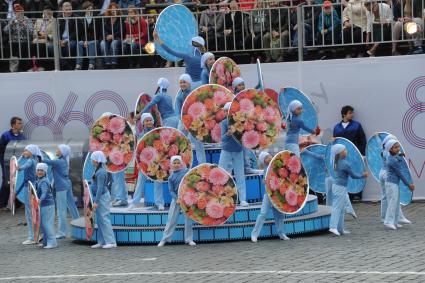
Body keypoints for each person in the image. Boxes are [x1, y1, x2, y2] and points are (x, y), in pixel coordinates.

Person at [329, 144, 367, 236]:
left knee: (341, 208)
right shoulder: (345, 164)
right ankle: (333, 227)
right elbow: (354, 175)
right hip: (340, 187)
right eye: (344, 150)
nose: (346, 151)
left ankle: (340, 229)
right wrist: (363, 175)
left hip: (337, 186)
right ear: (341, 153)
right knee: (337, 207)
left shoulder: (335, 161)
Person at [251, 151, 290, 242]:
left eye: (268, 156)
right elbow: (267, 182)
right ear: (264, 162)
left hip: (278, 195)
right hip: (268, 195)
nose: (268, 159)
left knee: (280, 215)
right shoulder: (266, 169)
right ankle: (254, 234)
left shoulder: (279, 165)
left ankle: (282, 234)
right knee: (263, 214)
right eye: (266, 159)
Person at [157, 155, 195, 247]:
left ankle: (189, 239)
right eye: (174, 163)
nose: (176, 164)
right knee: (171, 220)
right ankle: (165, 239)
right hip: (176, 200)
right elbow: (171, 190)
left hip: (187, 199)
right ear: (171, 164)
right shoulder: (171, 177)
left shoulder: (186, 172)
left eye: (178, 163)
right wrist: (176, 198)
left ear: (181, 163)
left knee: (188, 219)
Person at [219, 102, 248, 207]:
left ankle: (243, 199)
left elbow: (245, 136)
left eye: (229, 111)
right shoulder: (223, 123)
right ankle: (221, 198)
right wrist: (228, 134)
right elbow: (221, 138)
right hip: (226, 150)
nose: (227, 113)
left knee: (240, 174)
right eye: (226, 111)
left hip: (238, 151)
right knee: (221, 174)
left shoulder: (241, 121)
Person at [378, 134, 410, 224]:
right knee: (393, 197)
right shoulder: (388, 153)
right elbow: (391, 156)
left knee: (386, 197)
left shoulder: (383, 149)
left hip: (382, 173)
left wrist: (377, 136)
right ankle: (397, 217)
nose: (397, 146)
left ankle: (385, 217)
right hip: (387, 175)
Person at [129, 113, 159, 210]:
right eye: (146, 120)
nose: (149, 122)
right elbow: (138, 150)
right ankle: (134, 203)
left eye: (150, 120)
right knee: (140, 182)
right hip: (144, 162)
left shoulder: (157, 133)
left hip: (156, 161)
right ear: (143, 123)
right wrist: (138, 162)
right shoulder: (141, 135)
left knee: (158, 181)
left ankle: (159, 202)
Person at [383, 139, 415, 230]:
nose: (398, 149)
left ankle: (395, 222)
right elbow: (400, 174)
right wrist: (408, 185)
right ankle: (388, 222)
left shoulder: (391, 155)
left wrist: (400, 155)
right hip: (391, 184)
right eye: (395, 147)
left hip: (393, 183)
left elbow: (397, 156)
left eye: (398, 147)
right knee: (393, 202)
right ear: (390, 149)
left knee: (396, 202)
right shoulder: (392, 160)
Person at [42, 145, 73, 239]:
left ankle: (62, 232)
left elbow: (46, 161)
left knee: (61, 210)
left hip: (61, 187)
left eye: (59, 149)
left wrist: (38, 155)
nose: (57, 150)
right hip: (67, 185)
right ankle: (78, 226)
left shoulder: (59, 161)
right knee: (72, 208)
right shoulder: (63, 161)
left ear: (63, 152)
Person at [175, 74, 206, 164]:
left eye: (184, 82)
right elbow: (177, 111)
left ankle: (202, 164)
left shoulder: (194, 93)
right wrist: (183, 122)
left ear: (189, 83)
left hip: (195, 121)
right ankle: (180, 163)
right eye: (181, 82)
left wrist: (190, 123)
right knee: (179, 141)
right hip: (183, 121)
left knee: (198, 144)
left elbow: (197, 109)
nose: (182, 84)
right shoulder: (179, 95)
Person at [90, 151, 117, 249]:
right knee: (100, 220)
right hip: (100, 197)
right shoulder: (98, 170)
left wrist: (96, 201)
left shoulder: (101, 172)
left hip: (102, 198)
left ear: (97, 160)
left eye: (93, 159)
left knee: (104, 219)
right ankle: (101, 241)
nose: (91, 161)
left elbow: (100, 188)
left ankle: (111, 241)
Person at [17, 144, 41, 244]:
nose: (24, 152)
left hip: (30, 187)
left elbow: (24, 166)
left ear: (31, 152)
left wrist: (19, 168)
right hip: (31, 186)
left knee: (29, 211)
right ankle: (35, 235)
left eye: (26, 151)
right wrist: (23, 155)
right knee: (32, 211)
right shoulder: (33, 159)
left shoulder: (30, 161)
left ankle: (32, 237)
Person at [0, 117, 25, 210]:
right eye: (19, 123)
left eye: (21, 123)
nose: (21, 125)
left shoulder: (22, 136)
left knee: (18, 181)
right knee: (7, 182)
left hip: (18, 162)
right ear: (13, 125)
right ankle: (1, 205)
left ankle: (18, 204)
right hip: (6, 162)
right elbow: (1, 149)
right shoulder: (5, 135)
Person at [3, 4, 34, 72]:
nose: (18, 13)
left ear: (23, 12)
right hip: (13, 40)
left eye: (20, 12)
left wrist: (24, 25)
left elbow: (31, 32)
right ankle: (11, 67)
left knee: (22, 46)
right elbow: (5, 31)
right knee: (8, 46)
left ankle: (21, 67)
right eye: (16, 12)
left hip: (24, 40)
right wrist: (11, 25)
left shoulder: (27, 20)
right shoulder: (13, 20)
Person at [35, 163, 57, 249]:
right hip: (44, 205)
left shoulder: (44, 181)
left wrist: (40, 200)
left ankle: (52, 242)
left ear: (45, 172)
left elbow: (44, 193)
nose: (39, 172)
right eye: (38, 170)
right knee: (43, 224)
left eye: (41, 170)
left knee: (47, 224)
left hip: (47, 205)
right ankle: (46, 241)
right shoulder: (39, 180)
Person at [76, 1, 100, 70]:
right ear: (85, 10)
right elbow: (81, 33)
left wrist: (88, 40)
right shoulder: (81, 19)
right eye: (88, 9)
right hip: (85, 39)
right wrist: (84, 40)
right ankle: (78, 64)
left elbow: (97, 32)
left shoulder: (96, 18)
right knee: (79, 43)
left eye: (91, 8)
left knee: (92, 43)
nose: (90, 10)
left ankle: (91, 64)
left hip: (95, 39)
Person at [100, 3, 124, 69]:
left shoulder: (120, 19)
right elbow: (103, 30)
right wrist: (107, 36)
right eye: (112, 9)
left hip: (117, 38)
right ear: (109, 10)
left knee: (114, 43)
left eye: (115, 9)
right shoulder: (106, 20)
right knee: (102, 43)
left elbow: (122, 31)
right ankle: (107, 63)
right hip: (107, 38)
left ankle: (114, 63)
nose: (113, 10)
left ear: (117, 10)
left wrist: (113, 36)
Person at [58, 2, 79, 70]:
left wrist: (66, 41)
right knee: (53, 47)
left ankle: (68, 67)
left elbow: (76, 32)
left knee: (69, 46)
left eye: (70, 9)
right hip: (61, 40)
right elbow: (57, 31)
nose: (69, 11)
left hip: (71, 39)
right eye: (67, 10)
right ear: (63, 10)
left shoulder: (76, 17)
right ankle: (65, 65)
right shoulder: (59, 18)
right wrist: (60, 40)